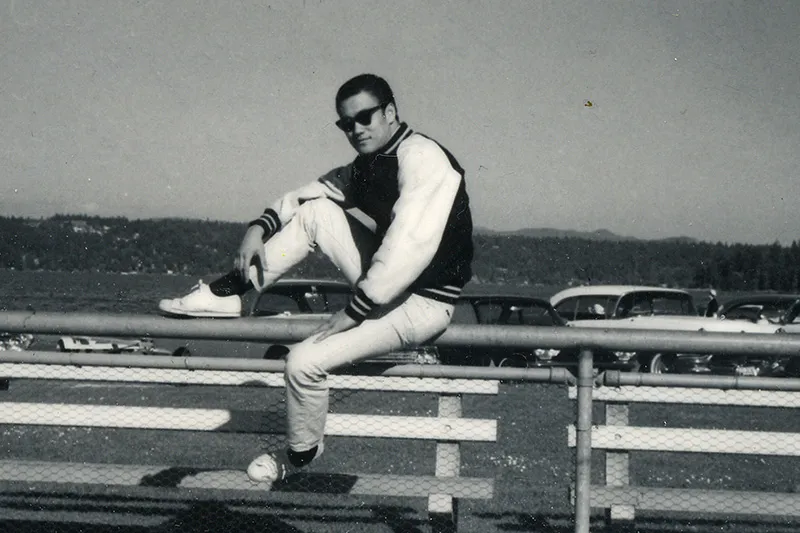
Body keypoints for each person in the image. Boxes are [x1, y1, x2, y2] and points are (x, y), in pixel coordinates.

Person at [158, 73, 474, 483]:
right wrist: (258, 227)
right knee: (317, 212)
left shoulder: (423, 157)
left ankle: (299, 454)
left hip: (425, 303)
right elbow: (307, 197)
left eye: (365, 117)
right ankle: (230, 294)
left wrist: (355, 311)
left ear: (391, 112)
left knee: (303, 361)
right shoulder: (367, 166)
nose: (356, 129)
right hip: (388, 292)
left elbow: (409, 242)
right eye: (346, 123)